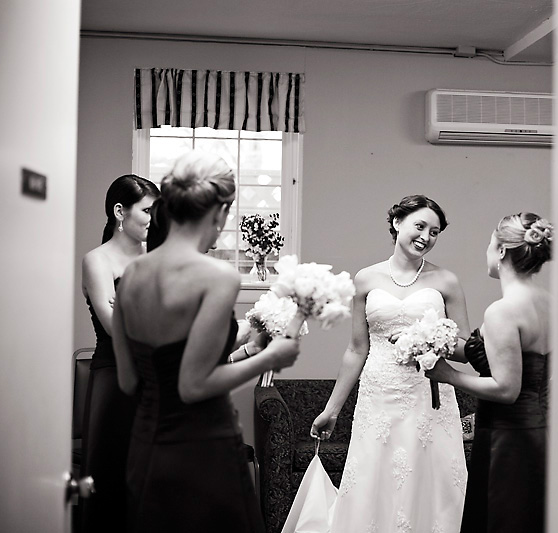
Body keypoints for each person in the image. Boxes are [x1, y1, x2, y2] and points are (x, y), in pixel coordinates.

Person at [111, 150, 300, 533]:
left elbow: (130, 380)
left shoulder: (132, 275)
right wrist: (271, 357)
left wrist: (247, 346)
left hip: (145, 447)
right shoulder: (217, 276)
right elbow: (194, 384)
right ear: (220, 211)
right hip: (202, 449)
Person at [311, 194, 471, 533]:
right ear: (397, 223)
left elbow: (465, 349)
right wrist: (332, 410)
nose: (426, 237)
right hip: (378, 397)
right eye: (420, 226)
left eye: (435, 232)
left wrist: (428, 338)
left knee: (432, 484)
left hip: (428, 399)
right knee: (374, 483)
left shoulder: (446, 281)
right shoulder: (365, 279)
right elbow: (356, 349)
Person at [425, 212, 552, 533]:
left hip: (507, 439)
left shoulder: (503, 311)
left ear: (501, 250)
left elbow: (506, 389)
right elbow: (491, 355)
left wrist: (447, 375)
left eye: (489, 243)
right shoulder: (550, 304)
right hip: (540, 433)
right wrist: (427, 338)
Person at [80, 174, 159, 532]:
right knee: (111, 480)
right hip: (114, 380)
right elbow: (114, 327)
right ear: (119, 212)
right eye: (147, 211)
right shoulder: (97, 261)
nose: (154, 220)